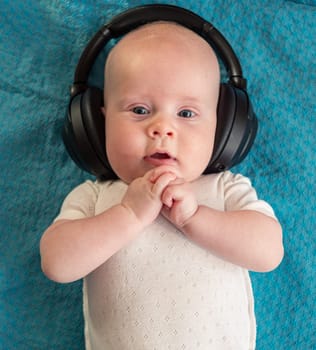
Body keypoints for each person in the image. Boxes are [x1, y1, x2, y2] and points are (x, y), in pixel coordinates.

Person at [40, 21, 283, 350]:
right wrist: (129, 213)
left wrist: (194, 217)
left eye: (186, 113)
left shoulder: (225, 189)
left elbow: (268, 253)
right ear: (99, 123)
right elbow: (57, 264)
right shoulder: (96, 196)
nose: (162, 128)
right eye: (139, 110)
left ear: (224, 126)